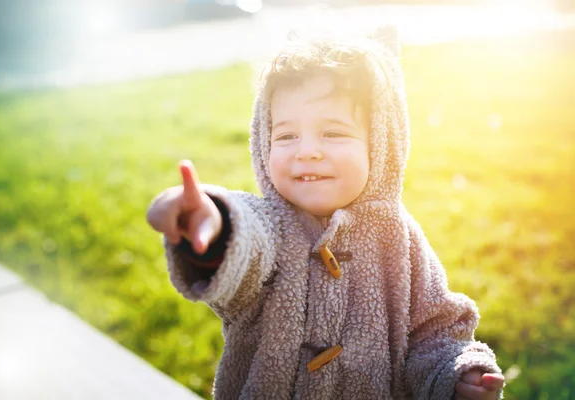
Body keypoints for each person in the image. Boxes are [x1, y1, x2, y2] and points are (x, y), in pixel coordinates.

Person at [146, 26, 505, 399]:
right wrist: (216, 223)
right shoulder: (269, 226)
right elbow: (246, 244)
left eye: (332, 133)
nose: (307, 151)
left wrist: (454, 376)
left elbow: (435, 332)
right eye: (286, 136)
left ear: (380, 145)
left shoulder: (399, 238)